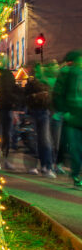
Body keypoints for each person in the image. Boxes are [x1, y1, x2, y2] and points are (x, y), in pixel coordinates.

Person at [53, 50, 82, 189]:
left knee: (75, 148)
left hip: (74, 116)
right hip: (72, 117)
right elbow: (58, 94)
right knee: (75, 148)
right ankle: (75, 175)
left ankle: (75, 175)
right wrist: (64, 112)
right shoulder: (67, 73)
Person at [25, 63, 55, 177]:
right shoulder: (31, 84)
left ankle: (46, 166)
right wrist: (36, 96)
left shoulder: (45, 83)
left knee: (45, 140)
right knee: (34, 140)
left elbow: (51, 98)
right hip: (33, 112)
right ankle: (35, 165)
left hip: (43, 112)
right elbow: (25, 98)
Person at [0, 68, 19, 170]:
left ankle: (4, 159)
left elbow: (14, 89)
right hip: (0, 108)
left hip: (6, 107)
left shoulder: (6, 74)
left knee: (6, 134)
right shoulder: (0, 74)